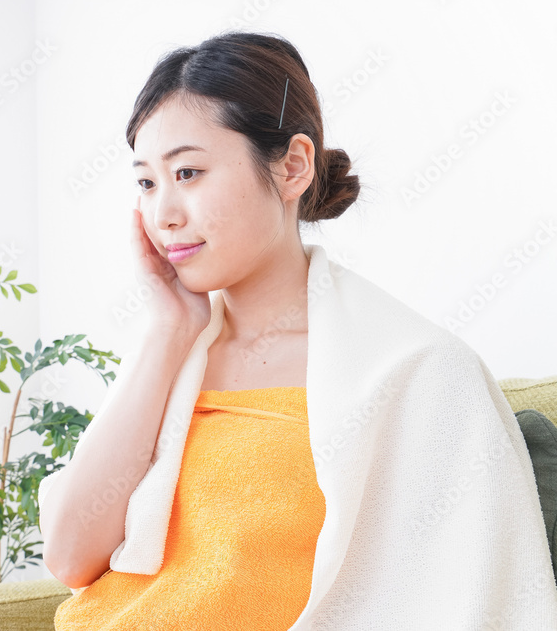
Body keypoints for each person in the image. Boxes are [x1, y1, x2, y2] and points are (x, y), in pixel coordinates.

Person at [38, 31, 557, 630]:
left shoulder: (414, 370)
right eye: (147, 183)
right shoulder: (171, 353)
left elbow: (464, 598)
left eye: (188, 172)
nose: (164, 215)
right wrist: (167, 330)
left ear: (292, 167)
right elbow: (70, 558)